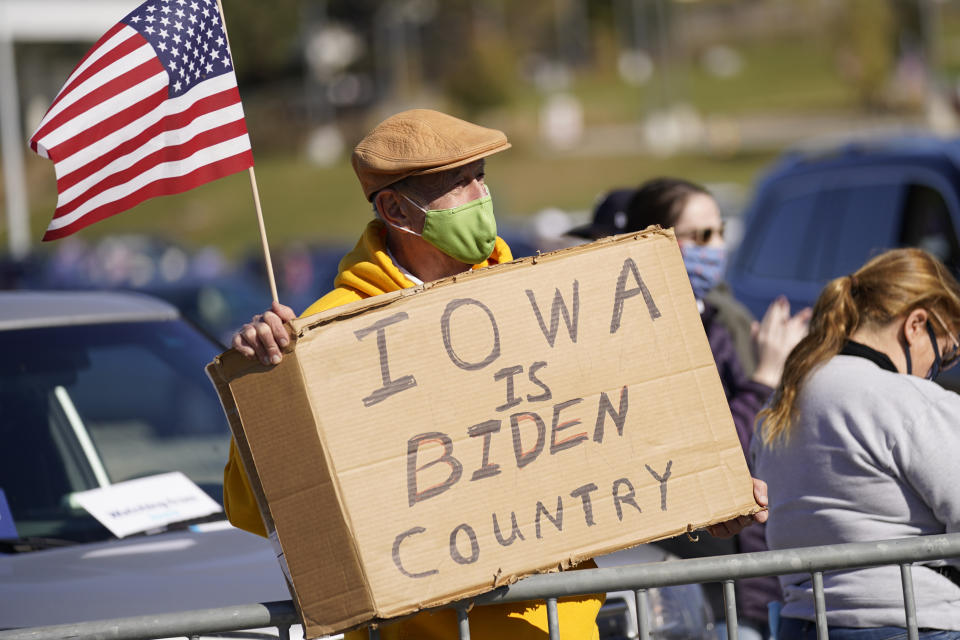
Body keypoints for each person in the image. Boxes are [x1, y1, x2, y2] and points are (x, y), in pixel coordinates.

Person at [228, 111, 768, 640]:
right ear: (395, 207)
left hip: (563, 627)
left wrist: (709, 498)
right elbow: (261, 510)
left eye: (481, 179)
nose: (481, 198)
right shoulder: (328, 335)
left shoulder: (539, 302)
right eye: (458, 185)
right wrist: (264, 386)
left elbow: (611, 437)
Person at [569, 177, 810, 639]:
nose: (717, 248)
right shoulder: (635, 338)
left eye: (719, 233)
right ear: (654, 240)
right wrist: (764, 378)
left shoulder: (718, 321)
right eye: (701, 237)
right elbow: (702, 450)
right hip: (690, 585)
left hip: (748, 579)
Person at [752, 248, 960, 640]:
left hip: (803, 625)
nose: (937, 370)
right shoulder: (910, 401)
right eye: (945, 354)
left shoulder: (781, 401)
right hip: (915, 623)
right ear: (916, 324)